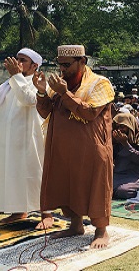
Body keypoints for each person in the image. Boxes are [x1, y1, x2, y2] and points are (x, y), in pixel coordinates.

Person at [35, 44, 115, 249]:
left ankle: (101, 231)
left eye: (67, 65)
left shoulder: (100, 83)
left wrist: (64, 93)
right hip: (64, 148)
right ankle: (76, 225)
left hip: (92, 147)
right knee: (68, 184)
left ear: (83, 62)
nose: (62, 69)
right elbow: (45, 113)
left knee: (95, 186)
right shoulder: (60, 84)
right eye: (59, 64)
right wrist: (43, 93)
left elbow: (88, 113)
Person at [0, 49, 52, 227]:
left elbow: (28, 98)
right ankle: (19, 211)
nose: (18, 63)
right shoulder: (7, 85)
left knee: (35, 172)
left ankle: (46, 213)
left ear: (34, 65)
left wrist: (16, 75)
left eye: (23, 60)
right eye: (17, 59)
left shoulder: (39, 82)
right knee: (11, 173)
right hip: (8, 139)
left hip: (30, 137)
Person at [111, 113, 139, 199]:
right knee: (102, 187)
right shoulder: (116, 137)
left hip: (136, 175)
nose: (120, 130)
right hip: (119, 173)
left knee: (124, 191)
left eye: (122, 127)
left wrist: (125, 144)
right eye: (117, 127)